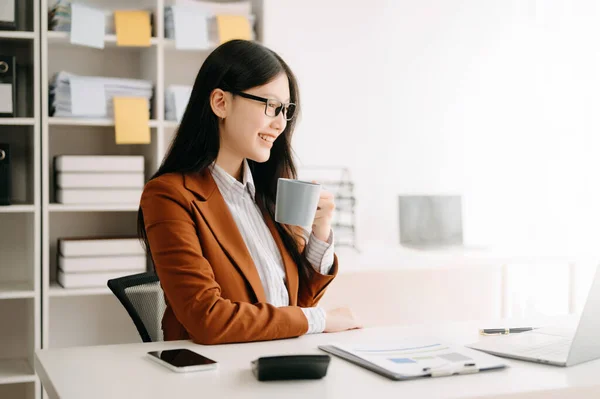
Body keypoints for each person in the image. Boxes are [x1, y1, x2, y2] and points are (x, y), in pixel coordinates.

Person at [138, 39, 362, 345]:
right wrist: (323, 320)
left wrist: (319, 234)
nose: (280, 123)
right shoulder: (169, 196)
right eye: (270, 106)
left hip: (275, 366)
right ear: (221, 103)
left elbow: (296, 307)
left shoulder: (266, 195)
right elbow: (208, 319)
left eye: (285, 110)